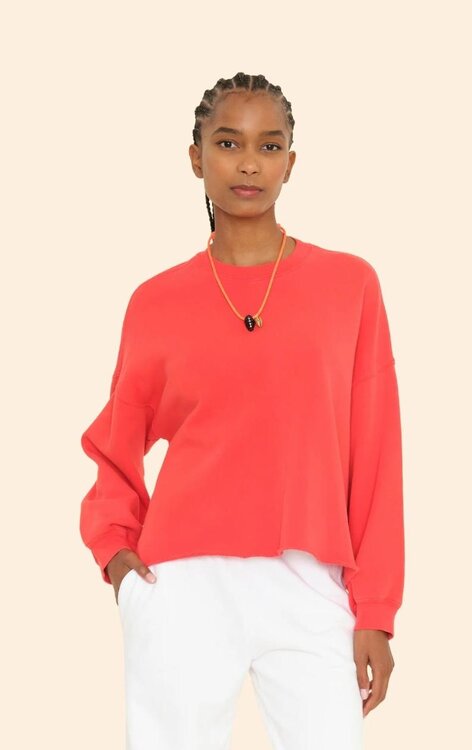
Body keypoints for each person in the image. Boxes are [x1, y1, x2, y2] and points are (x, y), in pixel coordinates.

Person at [79, 71, 404, 750]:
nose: (249, 163)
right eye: (228, 143)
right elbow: (117, 440)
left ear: (291, 161)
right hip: (183, 582)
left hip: (312, 578)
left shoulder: (350, 286)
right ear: (196, 158)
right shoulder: (156, 302)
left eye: (268, 145)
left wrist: (375, 609)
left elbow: (377, 453)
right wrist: (117, 555)